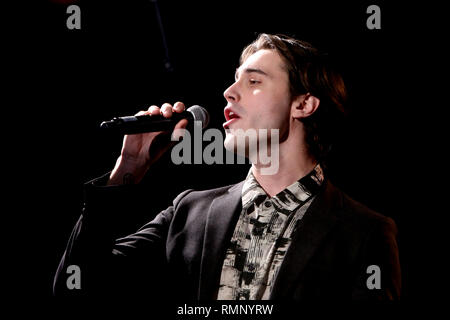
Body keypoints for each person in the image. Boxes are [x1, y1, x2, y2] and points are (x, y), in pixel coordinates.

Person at [53, 33, 401, 300]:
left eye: (253, 81)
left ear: (304, 103)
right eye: (234, 80)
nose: (229, 92)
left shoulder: (364, 233)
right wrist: (127, 168)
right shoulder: (189, 213)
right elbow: (77, 285)